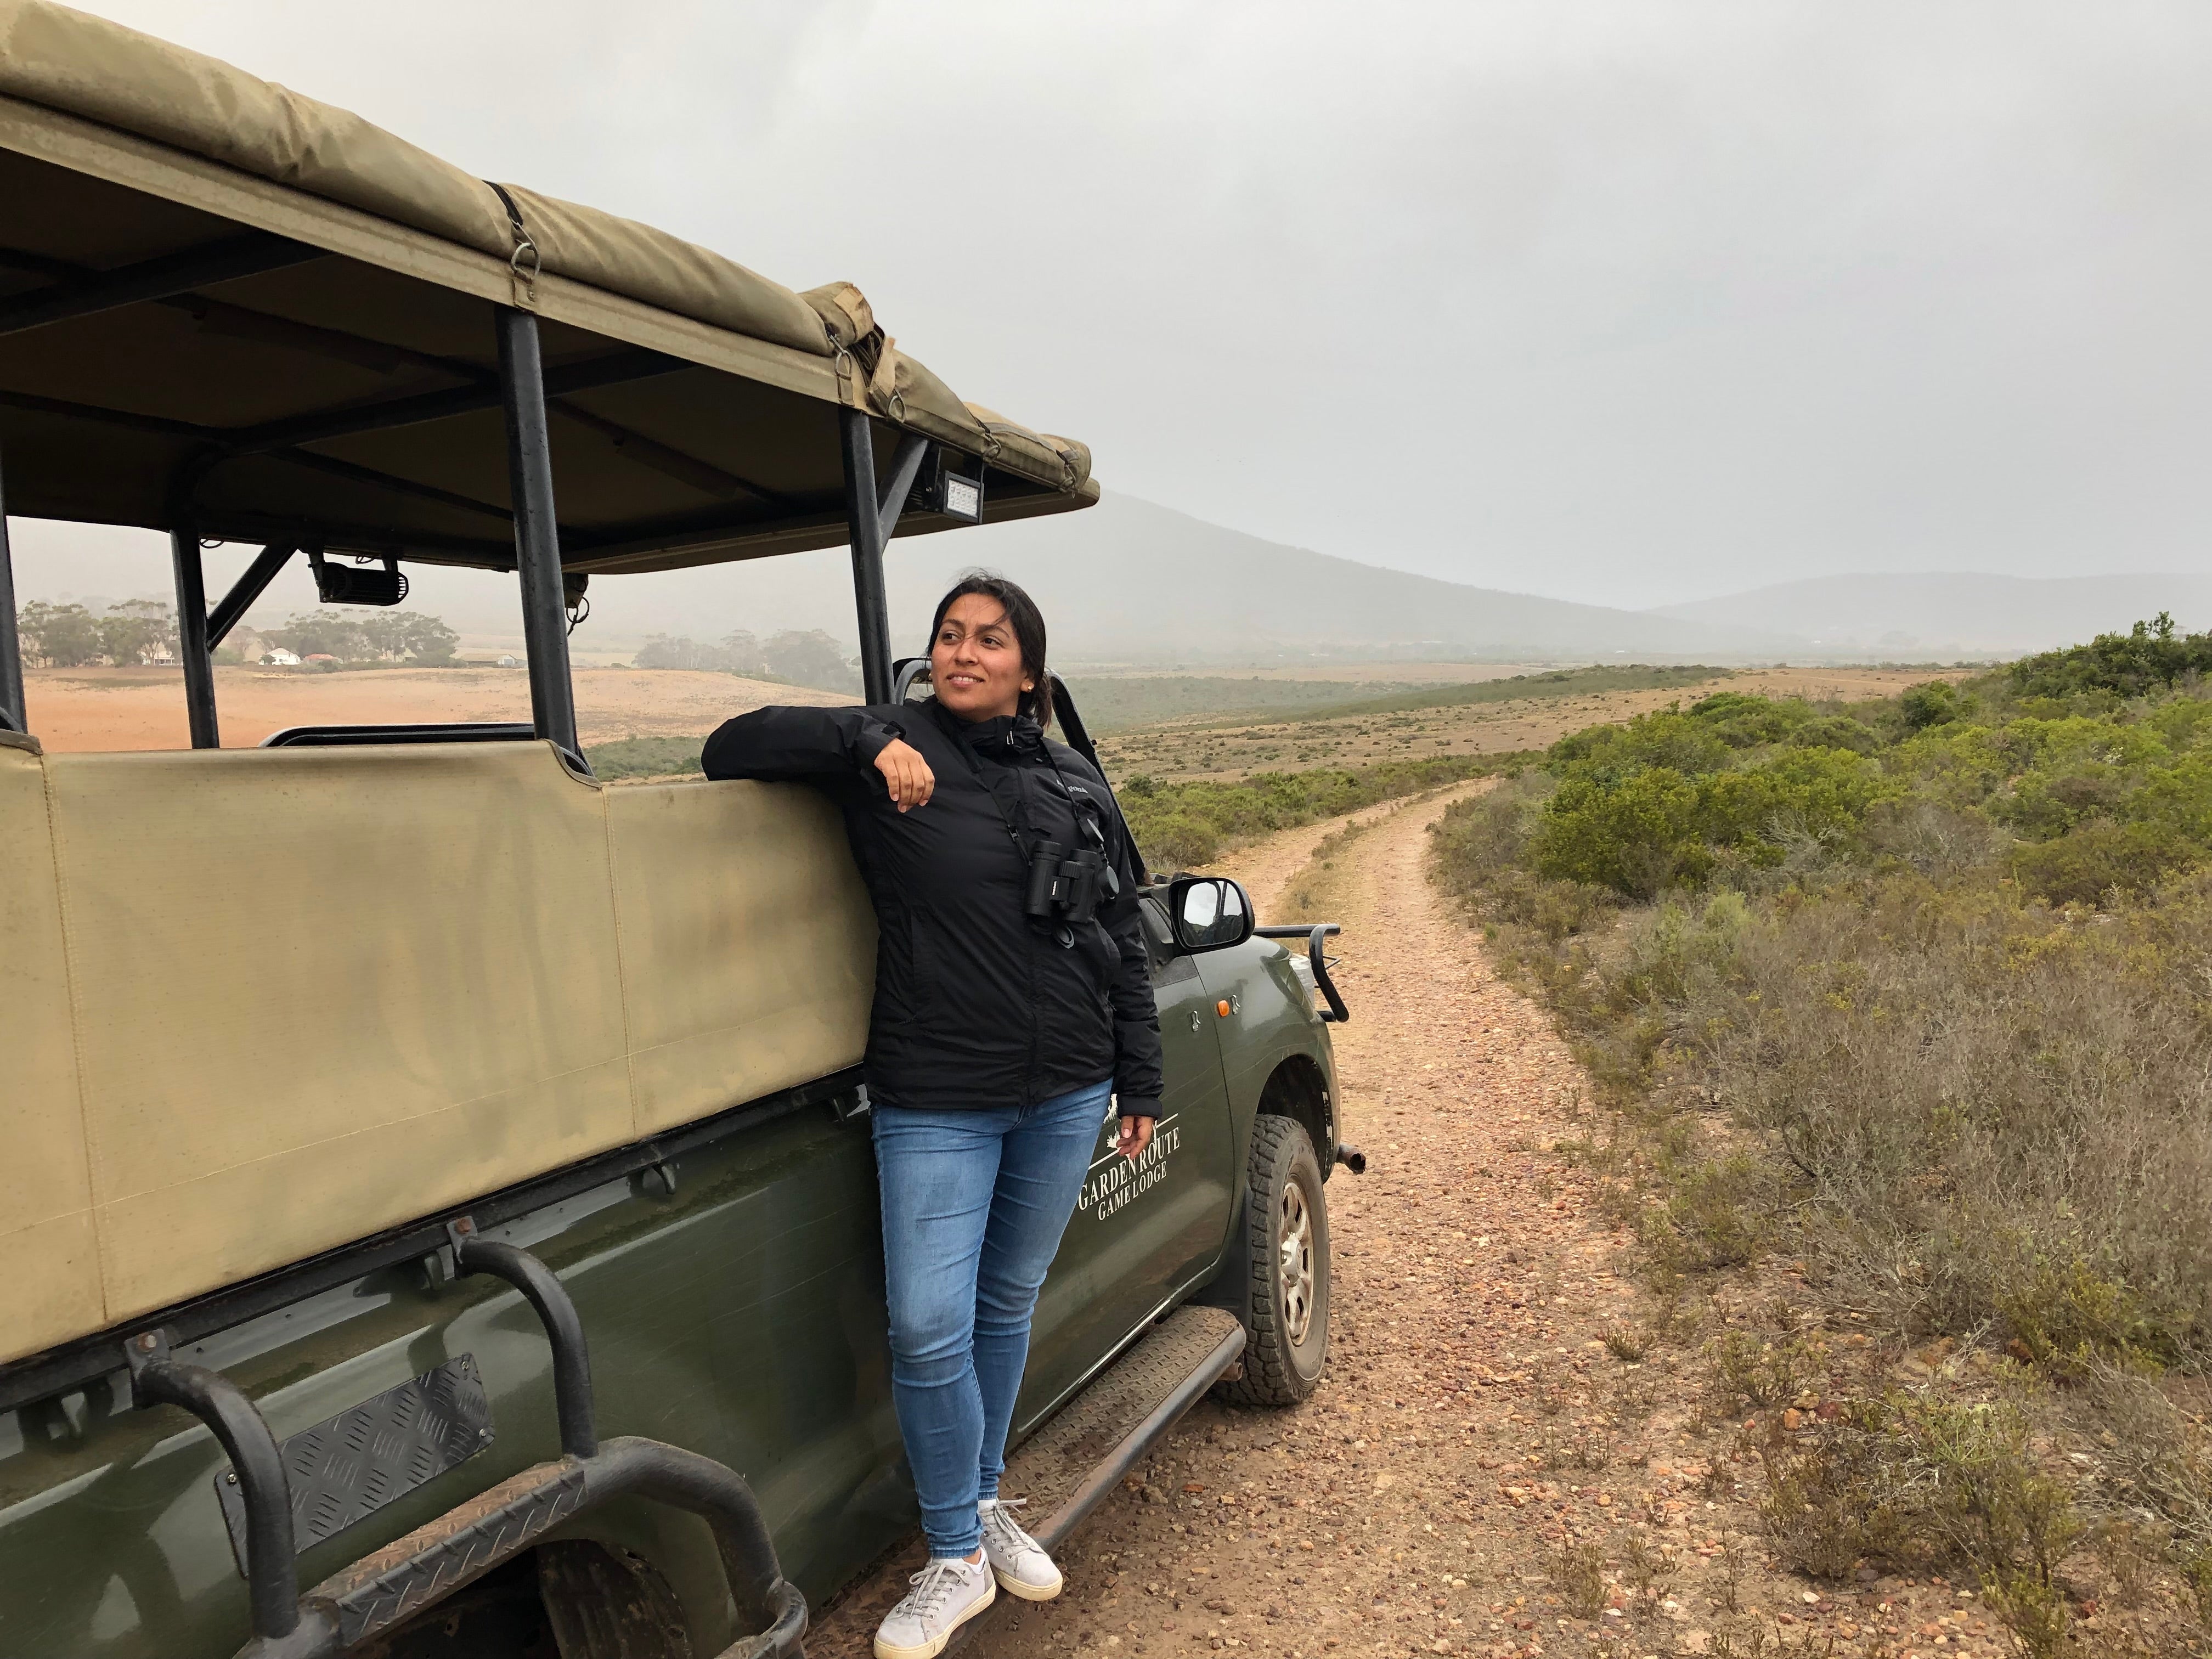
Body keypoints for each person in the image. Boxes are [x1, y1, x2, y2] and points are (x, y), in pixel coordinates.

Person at [702, 574, 1163, 1659]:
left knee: (1005, 1305)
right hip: (938, 1098)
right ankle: (955, 1553)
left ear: (1029, 675)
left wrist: (1139, 1081)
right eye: (949, 636)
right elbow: (732, 744)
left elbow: (1117, 938)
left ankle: (982, 1505)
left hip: (1068, 1089)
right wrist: (863, 737)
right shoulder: (890, 754)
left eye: (989, 640)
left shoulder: (1072, 775)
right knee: (926, 1326)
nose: (963, 653)